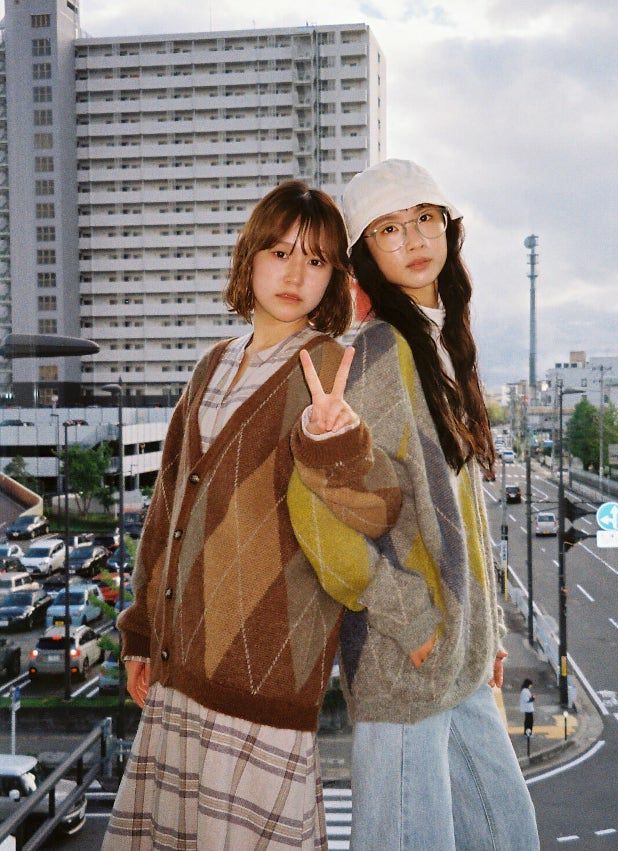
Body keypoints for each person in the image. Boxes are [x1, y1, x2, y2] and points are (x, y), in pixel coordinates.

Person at [288, 159, 540, 850]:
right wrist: (411, 617)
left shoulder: (440, 341)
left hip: (456, 656)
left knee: (507, 833)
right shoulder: (375, 353)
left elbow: (461, 515)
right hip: (404, 660)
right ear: (365, 254)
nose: (414, 238)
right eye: (389, 228)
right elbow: (312, 510)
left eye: (425, 218)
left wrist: (485, 631)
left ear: (448, 229)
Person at [103, 180, 360, 851]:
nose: (295, 274)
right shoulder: (212, 364)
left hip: (262, 678)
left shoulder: (331, 369)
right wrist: (140, 632)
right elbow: (167, 506)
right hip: (182, 670)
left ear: (333, 276)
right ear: (250, 258)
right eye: (280, 252)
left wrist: (335, 440)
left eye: (315, 259)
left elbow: (373, 508)